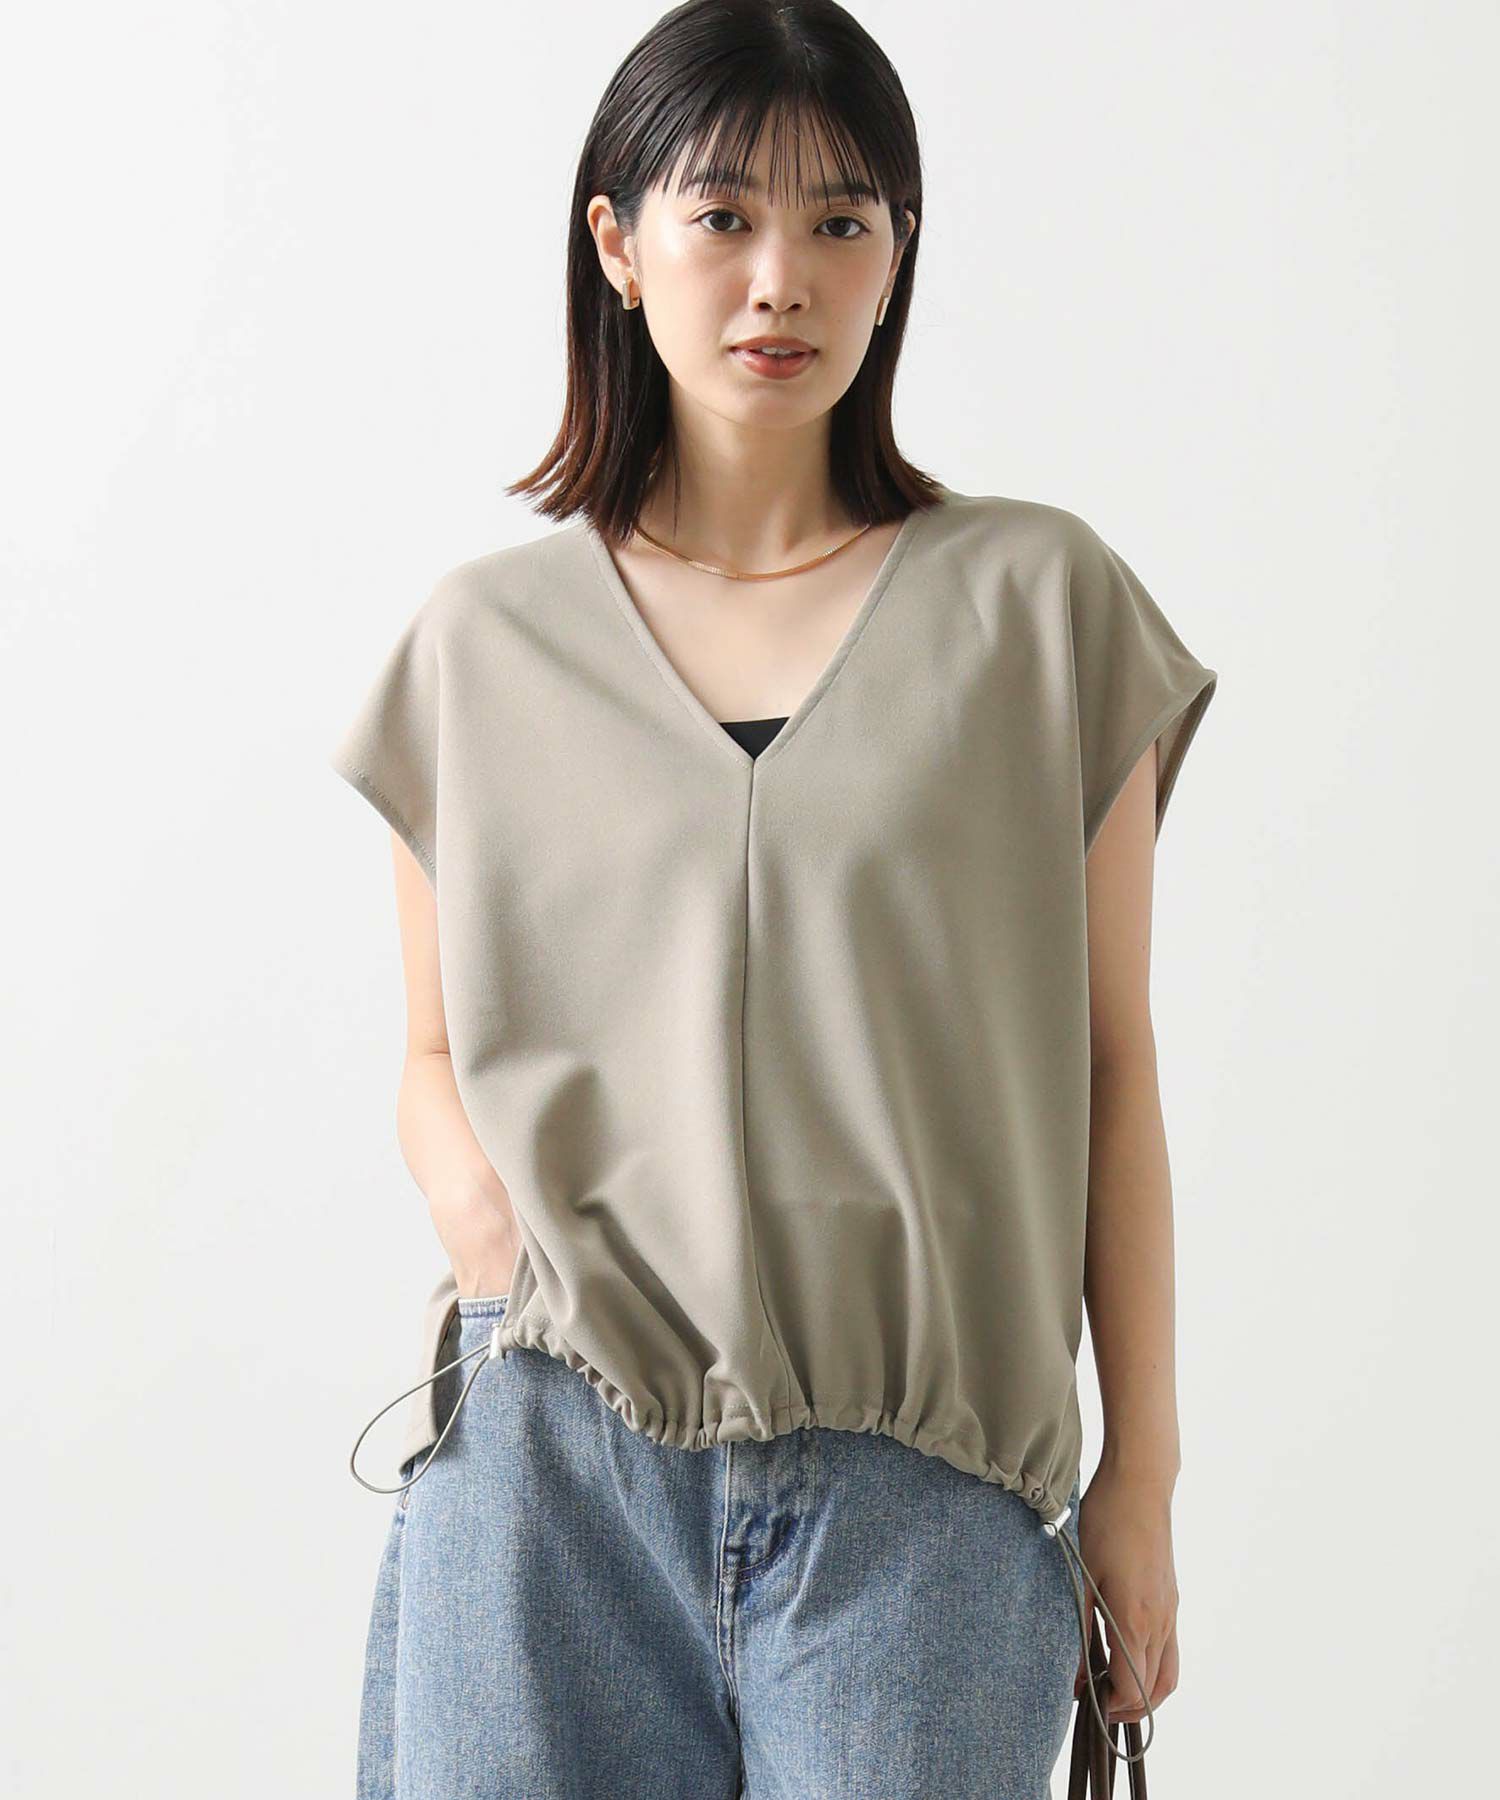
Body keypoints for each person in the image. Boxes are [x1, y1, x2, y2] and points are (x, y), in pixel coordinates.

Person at [332, 4, 1217, 1796]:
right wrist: (495, 1243)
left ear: (898, 254)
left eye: (840, 220)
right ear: (617, 243)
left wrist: (1143, 1477)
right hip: (551, 1470)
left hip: (928, 1494)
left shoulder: (1040, 611)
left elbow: (1113, 1067)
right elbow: (431, 1055)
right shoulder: (485, 646)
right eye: (722, 215)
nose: (779, 279)